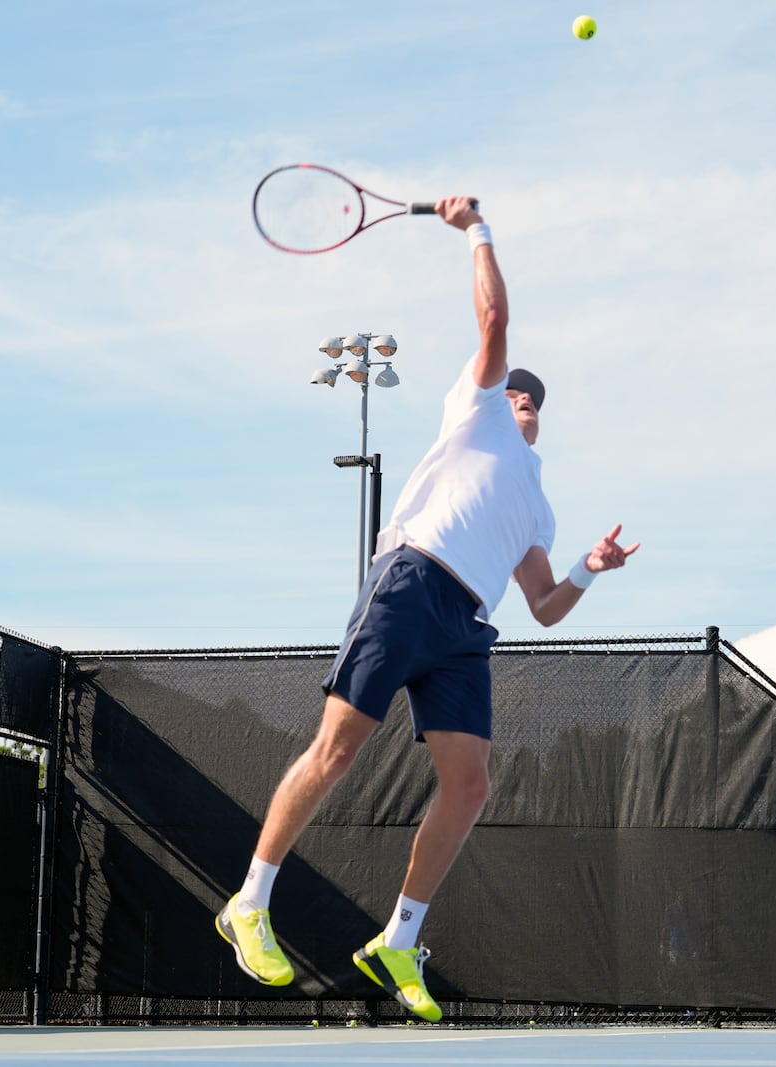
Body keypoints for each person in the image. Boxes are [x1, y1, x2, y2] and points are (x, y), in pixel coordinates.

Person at [215, 195, 639, 1022]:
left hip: (466, 629)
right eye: (518, 392)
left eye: (533, 399)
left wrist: (590, 565)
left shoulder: (537, 505)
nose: (526, 401)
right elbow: (495, 316)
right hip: (410, 580)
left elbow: (545, 606)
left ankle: (399, 939)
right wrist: (475, 230)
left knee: (470, 784)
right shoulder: (475, 410)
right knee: (337, 750)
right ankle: (250, 901)